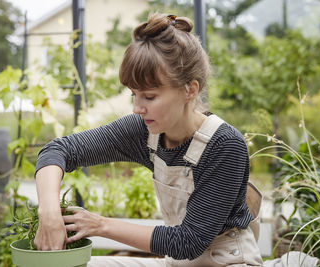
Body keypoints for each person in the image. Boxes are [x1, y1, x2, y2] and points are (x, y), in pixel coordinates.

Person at [34, 13, 264, 267]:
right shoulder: (145, 131)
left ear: (190, 90)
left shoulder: (224, 145)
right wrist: (49, 212)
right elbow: (59, 150)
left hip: (229, 261)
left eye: (149, 97)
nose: (137, 108)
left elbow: (189, 241)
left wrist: (100, 225)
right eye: (134, 94)